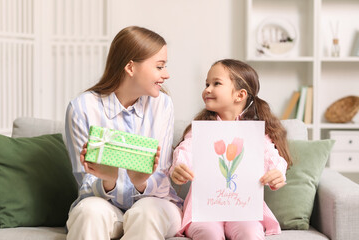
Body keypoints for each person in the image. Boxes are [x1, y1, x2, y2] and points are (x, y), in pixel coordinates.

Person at [65, 26, 183, 240]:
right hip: (103, 204)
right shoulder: (82, 108)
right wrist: (108, 181)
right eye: (159, 66)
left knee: (146, 214)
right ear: (130, 67)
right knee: (89, 212)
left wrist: (141, 182)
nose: (166, 74)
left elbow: (162, 180)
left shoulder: (162, 105)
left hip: (155, 203)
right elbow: (86, 182)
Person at [169, 59, 292, 240]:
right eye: (206, 84)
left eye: (216, 83)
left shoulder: (254, 132)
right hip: (205, 209)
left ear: (239, 95)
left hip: (244, 209)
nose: (207, 89)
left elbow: (273, 158)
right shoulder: (201, 129)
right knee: (208, 233)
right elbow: (185, 151)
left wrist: (277, 174)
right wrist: (178, 168)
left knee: (250, 233)